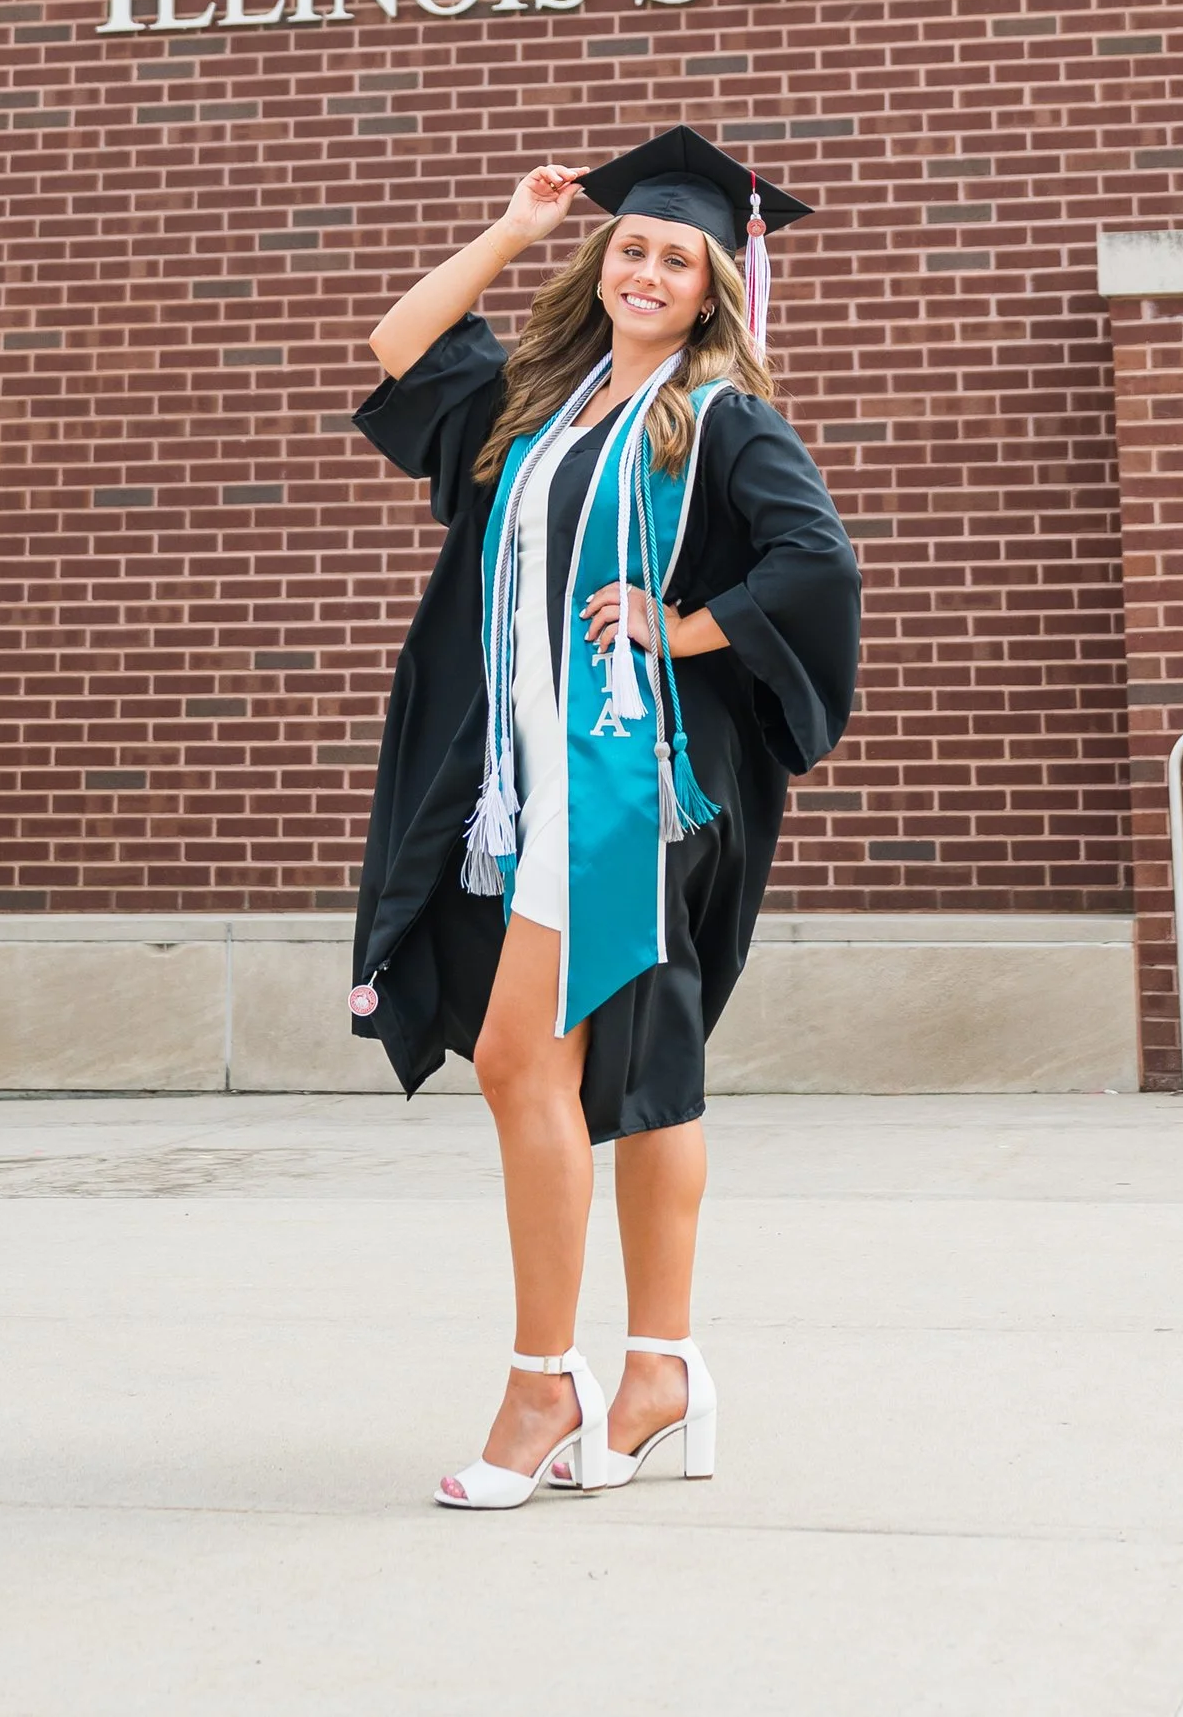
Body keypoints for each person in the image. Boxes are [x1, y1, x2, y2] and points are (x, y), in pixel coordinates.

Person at [349, 126, 861, 1510]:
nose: (647, 268)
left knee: (527, 1059)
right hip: (524, 786)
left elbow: (818, 563)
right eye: (632, 245)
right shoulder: (541, 404)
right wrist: (514, 228)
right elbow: (401, 343)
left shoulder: (719, 422)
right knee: (635, 1072)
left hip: (630, 786)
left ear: (713, 289)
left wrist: (682, 623)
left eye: (676, 257)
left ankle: (543, 1384)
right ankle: (659, 1371)